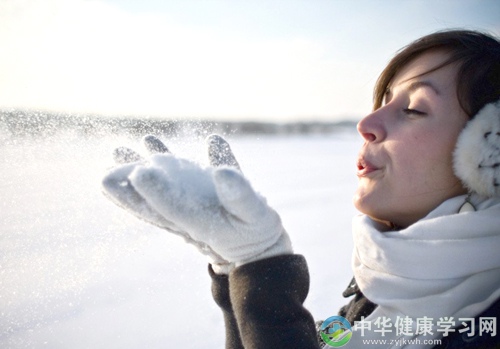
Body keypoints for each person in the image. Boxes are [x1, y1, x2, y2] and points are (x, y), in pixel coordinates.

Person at [102, 29, 500, 348]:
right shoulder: (383, 289)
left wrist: (265, 271)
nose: (367, 123)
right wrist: (237, 273)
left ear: (488, 152)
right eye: (383, 101)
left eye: (413, 108)